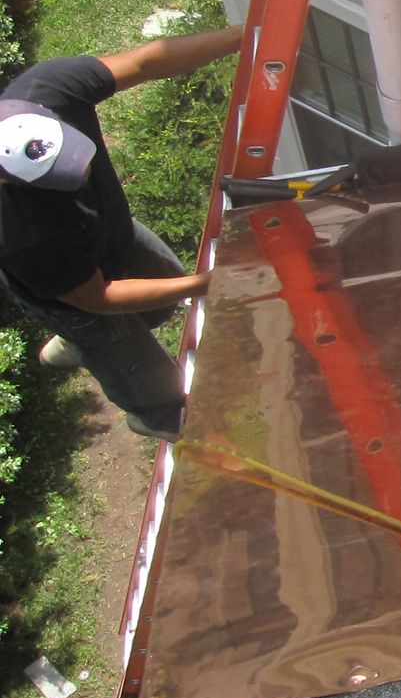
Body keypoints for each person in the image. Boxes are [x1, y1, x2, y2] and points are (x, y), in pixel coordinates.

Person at [0, 24, 244, 440]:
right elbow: (99, 297)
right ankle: (154, 415)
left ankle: (83, 346)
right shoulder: (23, 235)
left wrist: (247, 34)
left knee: (164, 293)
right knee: (146, 375)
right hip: (74, 292)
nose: (83, 172)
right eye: (61, 176)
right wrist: (207, 284)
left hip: (107, 232)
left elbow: (148, 62)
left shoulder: (48, 88)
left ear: (44, 115)